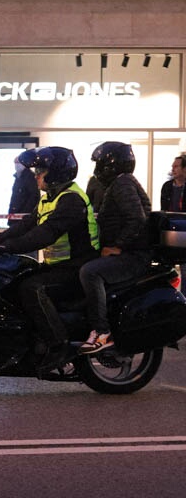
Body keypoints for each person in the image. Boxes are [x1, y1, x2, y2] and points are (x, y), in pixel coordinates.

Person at [0, 146, 99, 370]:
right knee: (14, 278)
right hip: (58, 265)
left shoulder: (71, 200)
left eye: (41, 170)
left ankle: (59, 344)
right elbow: (26, 226)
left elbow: (44, 234)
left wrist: (4, 248)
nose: (36, 175)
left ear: (56, 173)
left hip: (76, 267)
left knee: (31, 288)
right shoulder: (50, 198)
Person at [78, 142, 153, 354]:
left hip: (134, 255)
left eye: (100, 164)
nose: (97, 169)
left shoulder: (122, 183)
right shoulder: (120, 183)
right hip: (131, 251)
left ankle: (102, 332)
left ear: (112, 165)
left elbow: (136, 219)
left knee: (90, 272)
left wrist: (118, 246)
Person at [159, 153, 185, 293]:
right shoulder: (167, 186)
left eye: (176, 166)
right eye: (172, 166)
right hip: (170, 231)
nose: (173, 169)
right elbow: (164, 210)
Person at [8, 149, 40, 227]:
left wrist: (25, 215)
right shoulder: (18, 178)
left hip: (24, 220)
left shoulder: (30, 177)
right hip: (15, 218)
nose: (16, 165)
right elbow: (15, 198)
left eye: (18, 163)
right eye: (15, 163)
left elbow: (33, 197)